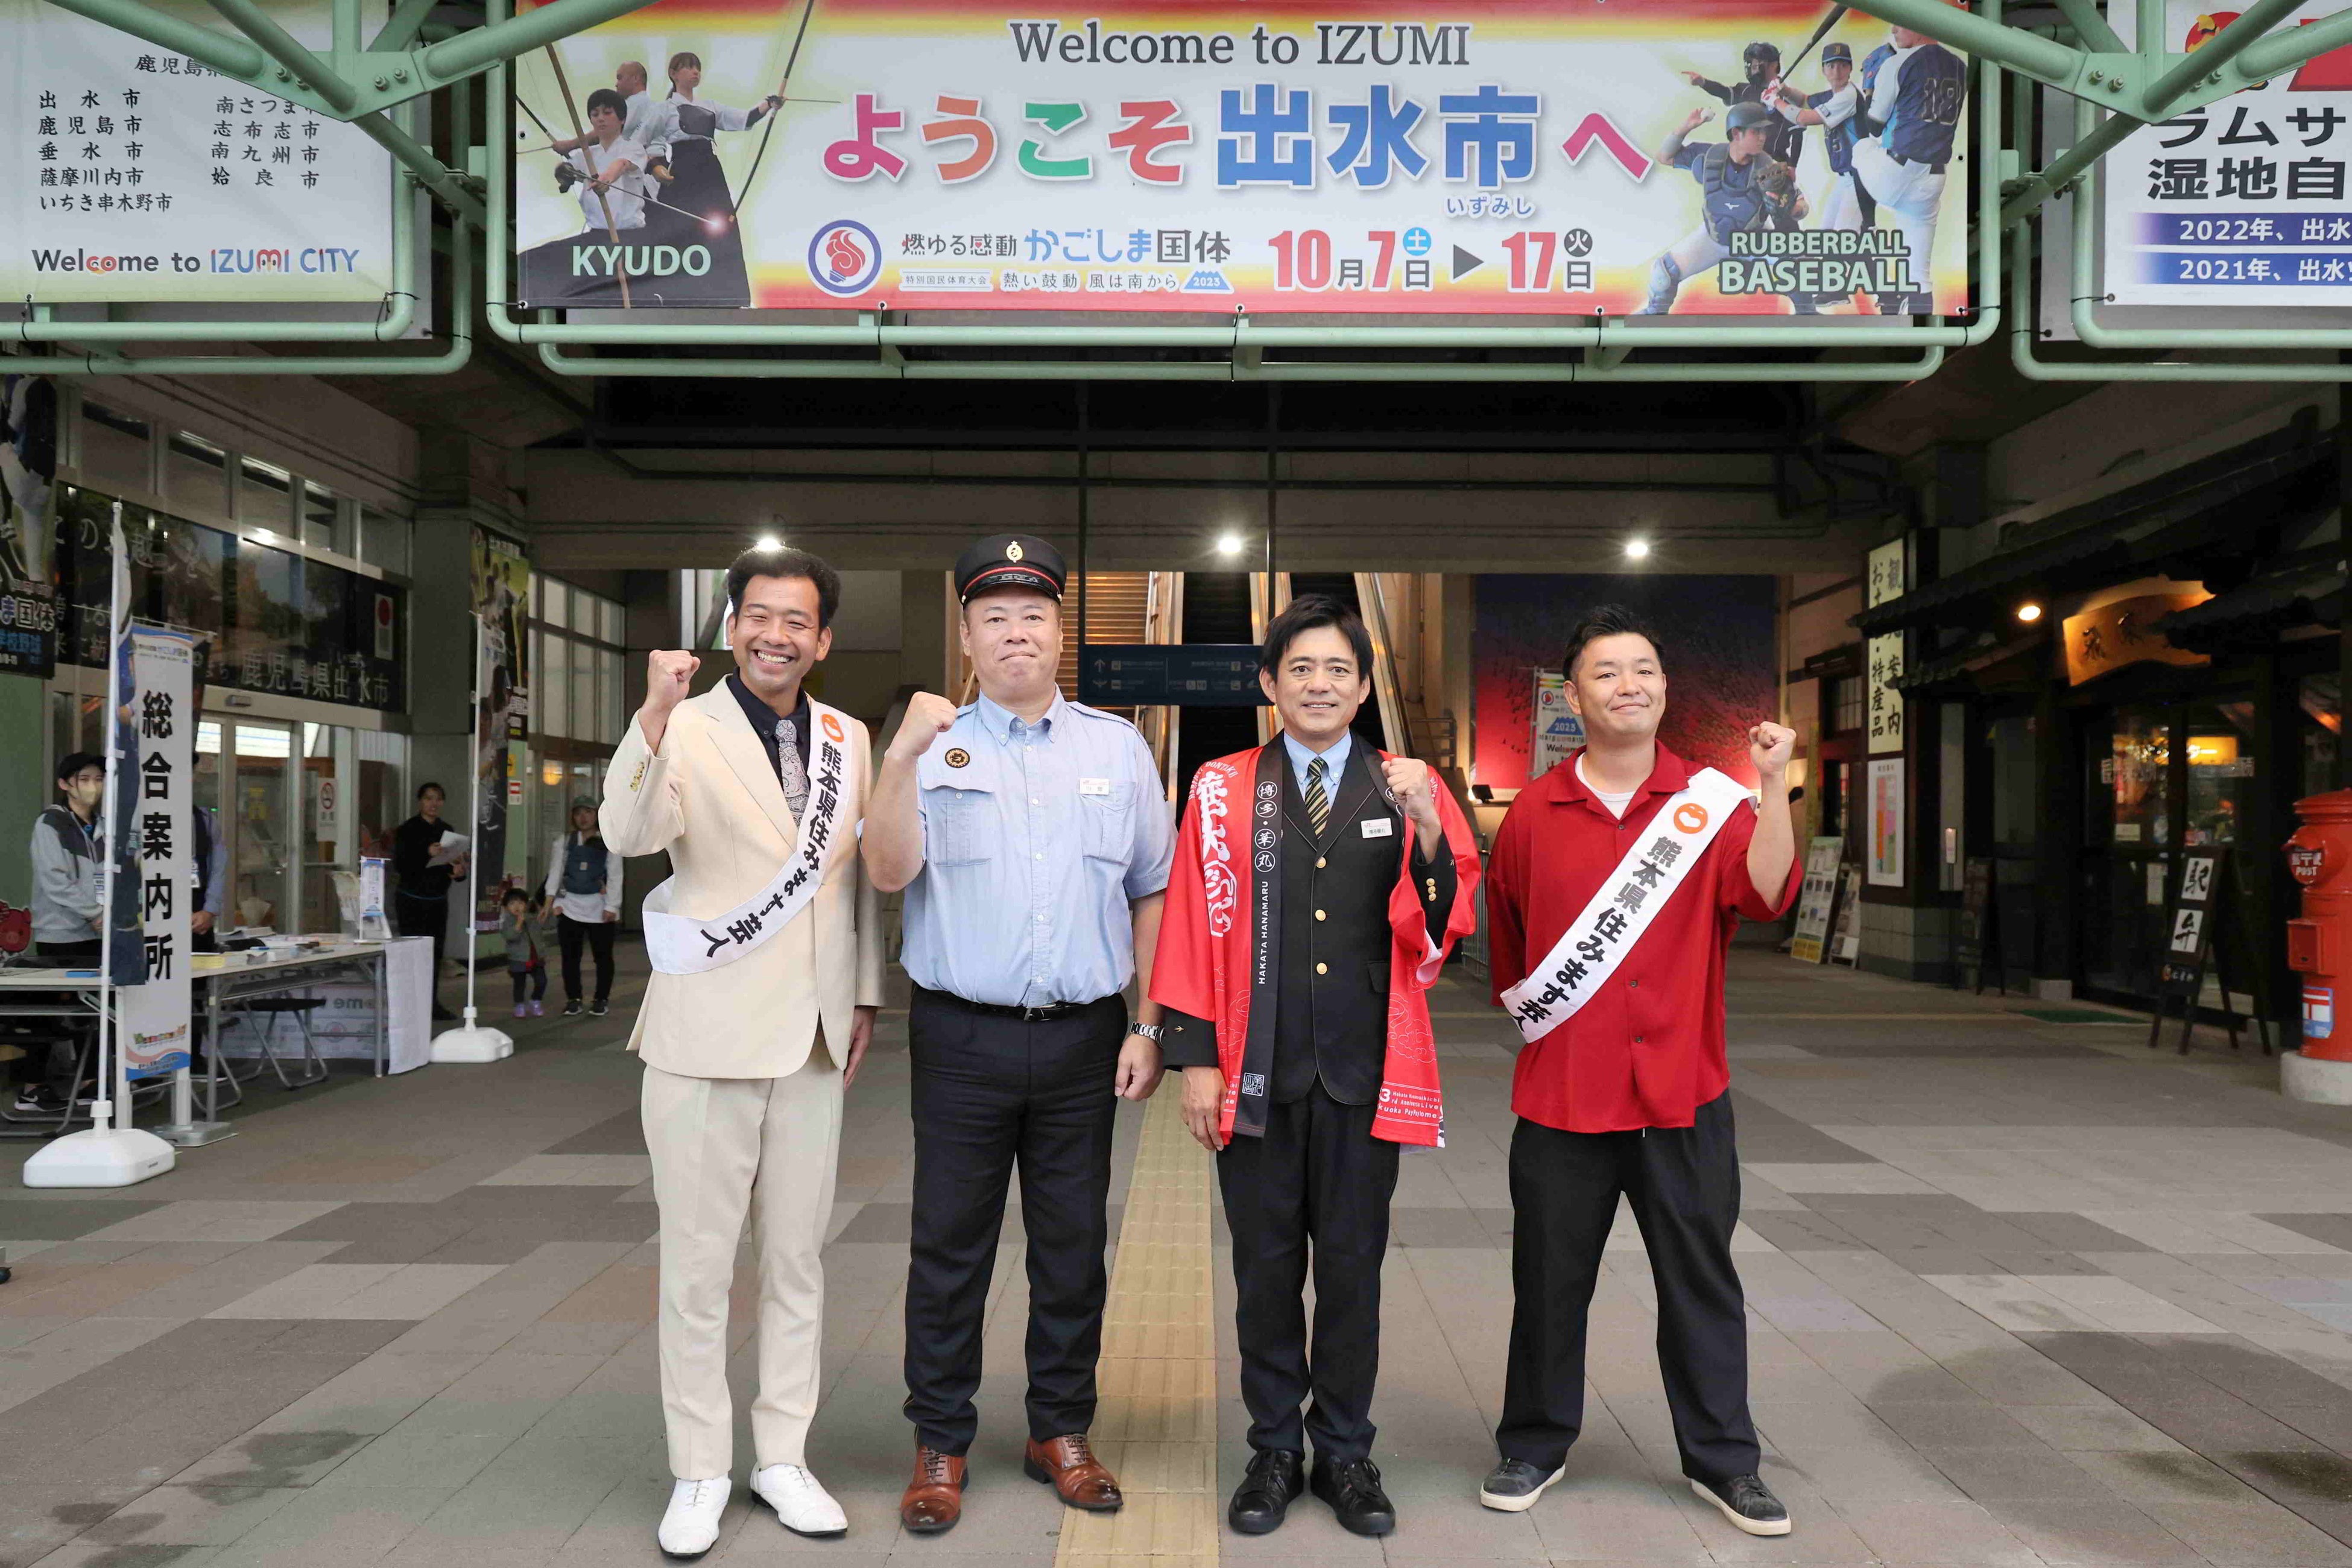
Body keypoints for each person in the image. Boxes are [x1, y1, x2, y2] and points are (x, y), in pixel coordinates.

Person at [862, 534, 1174, 1535]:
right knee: (949, 1246)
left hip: (1084, 1039)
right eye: (993, 617)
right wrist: (899, 757)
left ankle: (1060, 1430)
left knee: (1073, 1248)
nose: (1014, 633)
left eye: (1032, 615)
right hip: (961, 1039)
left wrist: (1148, 1022)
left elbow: (1153, 890)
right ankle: (940, 1440)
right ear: (967, 636)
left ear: (1060, 630)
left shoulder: (1116, 748)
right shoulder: (932, 746)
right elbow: (887, 872)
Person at [1150, 595, 1479, 1539]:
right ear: (1270, 684)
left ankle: (1343, 1451)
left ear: (1365, 687)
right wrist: (1195, 1059)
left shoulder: (1407, 783)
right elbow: (1189, 921)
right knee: (1262, 1274)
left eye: (1339, 669)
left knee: (1351, 1273)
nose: (1320, 685)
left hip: (1364, 1074)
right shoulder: (1220, 788)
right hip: (1254, 1070)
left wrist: (1427, 826)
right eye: (1301, 669)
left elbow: (1446, 924)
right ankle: (1272, 1451)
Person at [1473, 604, 1800, 1538]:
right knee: (1548, 1284)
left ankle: (1725, 1461)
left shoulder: (1711, 803)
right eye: (1607, 672)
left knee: (1702, 1284)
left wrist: (1773, 786)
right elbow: (1512, 959)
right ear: (1574, 697)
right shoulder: (1533, 815)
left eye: (1645, 669)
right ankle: (1534, 1443)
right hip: (1563, 1103)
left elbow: (1768, 894)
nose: (1630, 685)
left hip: (1684, 1098)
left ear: (1664, 687)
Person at [599, 543, 882, 1557]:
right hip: (705, 1036)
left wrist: (863, 995)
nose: (776, 635)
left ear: (823, 639)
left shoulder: (849, 738)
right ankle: (699, 1469)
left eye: (797, 620)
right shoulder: (684, 725)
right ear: (730, 628)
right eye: (758, 616)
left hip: (813, 1040)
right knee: (699, 1266)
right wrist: (651, 716)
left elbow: (851, 883)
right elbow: (629, 833)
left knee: (798, 1260)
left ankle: (783, 1457)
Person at [1639, 101, 1809, 316]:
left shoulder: (1770, 168)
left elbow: (1802, 207)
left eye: (1764, 132)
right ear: (1736, 133)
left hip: (1753, 239)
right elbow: (1664, 157)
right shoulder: (1710, 156)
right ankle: (1654, 317)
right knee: (1664, 273)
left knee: (1800, 269)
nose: (1762, 137)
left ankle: (1808, 315)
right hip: (1713, 237)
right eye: (1756, 131)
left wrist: (1790, 209)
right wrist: (1686, 127)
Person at [14, 752, 106, 1114]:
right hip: (60, 933)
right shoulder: (51, 824)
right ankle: (32, 1088)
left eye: (98, 779)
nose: (93, 786)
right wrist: (95, 913)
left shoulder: (102, 826)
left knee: (96, 1011)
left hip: (98, 933)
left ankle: (91, 1082)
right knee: (45, 1013)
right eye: (84, 779)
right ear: (65, 784)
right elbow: (55, 881)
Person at [1851, 24, 1964, 314]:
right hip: (1932, 179)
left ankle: (1868, 225)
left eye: (1901, 22)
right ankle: (1922, 332)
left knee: (1861, 148)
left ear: (1919, 24)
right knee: (1920, 278)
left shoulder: (1898, 62)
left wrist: (1869, 90)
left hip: (1896, 171)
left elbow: (1874, 126)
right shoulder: (1960, 66)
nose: (1893, 29)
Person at [392, 782, 466, 1022]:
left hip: (437, 900)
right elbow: (401, 865)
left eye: (438, 799)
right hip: (412, 900)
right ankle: (409, 1005)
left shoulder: (447, 830)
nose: (433, 804)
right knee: (413, 953)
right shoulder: (408, 830)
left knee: (435, 954)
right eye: (429, 798)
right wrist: (427, 853)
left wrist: (458, 872)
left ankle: (431, 1003)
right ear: (420, 801)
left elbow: (452, 865)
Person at [542, 796, 622, 1016]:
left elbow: (615, 874)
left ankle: (601, 999)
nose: (583, 817)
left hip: (600, 906)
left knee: (603, 956)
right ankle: (574, 999)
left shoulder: (609, 841)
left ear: (597, 815)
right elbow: (556, 872)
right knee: (570, 957)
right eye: (578, 813)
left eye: (588, 812)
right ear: (573, 817)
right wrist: (552, 901)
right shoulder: (564, 842)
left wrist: (613, 906)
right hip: (570, 906)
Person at [1681, 42, 1803, 163]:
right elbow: (1724, 92)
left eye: (1756, 66)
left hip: (1773, 164)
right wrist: (1703, 83)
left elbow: (1797, 133)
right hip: (1744, 163)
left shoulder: (1789, 98)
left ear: (1773, 66)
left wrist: (1792, 166)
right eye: (1751, 66)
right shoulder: (1746, 90)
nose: (1752, 71)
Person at [501, 888, 548, 1018]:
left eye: (520, 903)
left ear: (526, 905)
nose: (517, 907)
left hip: (536, 957)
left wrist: (551, 913)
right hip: (518, 959)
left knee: (542, 981)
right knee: (519, 984)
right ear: (506, 908)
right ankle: (519, 1005)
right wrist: (519, 924)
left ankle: (535, 1001)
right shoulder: (508, 922)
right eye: (512, 904)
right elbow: (510, 937)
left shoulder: (532, 918)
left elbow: (547, 925)